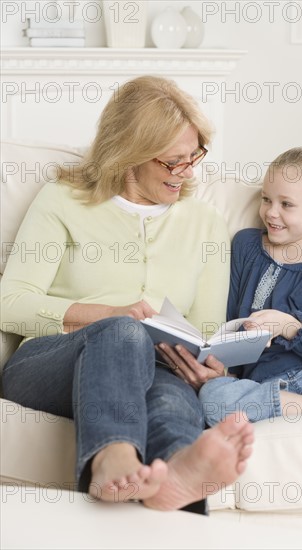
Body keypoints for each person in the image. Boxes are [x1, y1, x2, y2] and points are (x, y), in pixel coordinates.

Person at [1, 75, 254, 512]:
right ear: (129, 154)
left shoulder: (205, 223)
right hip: (51, 361)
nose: (188, 172)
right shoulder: (62, 200)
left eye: (194, 156)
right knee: (123, 333)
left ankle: (176, 475)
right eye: (174, 162)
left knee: (170, 396)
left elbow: (207, 330)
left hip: (157, 367)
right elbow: (10, 304)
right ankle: (112, 457)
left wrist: (210, 369)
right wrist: (109, 315)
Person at [158, 147, 302, 424]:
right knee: (213, 398)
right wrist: (222, 369)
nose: (271, 212)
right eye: (267, 199)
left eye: (286, 204)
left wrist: (289, 327)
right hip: (261, 387)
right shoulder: (247, 245)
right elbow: (227, 315)